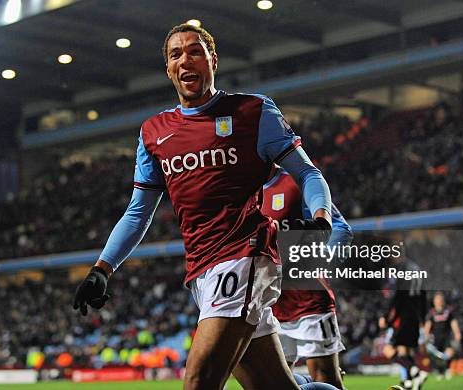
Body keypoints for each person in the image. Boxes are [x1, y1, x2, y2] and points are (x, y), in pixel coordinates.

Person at [73, 23, 339, 390]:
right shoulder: (154, 133)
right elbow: (138, 211)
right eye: (175, 54)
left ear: (213, 60)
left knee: (198, 382)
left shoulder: (253, 111)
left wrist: (321, 217)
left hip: (245, 257)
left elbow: (307, 173)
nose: (186, 60)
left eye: (195, 51)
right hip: (201, 269)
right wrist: (103, 267)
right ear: (168, 69)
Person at [261, 166, 352, 389]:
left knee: (326, 377)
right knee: (275, 382)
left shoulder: (296, 183)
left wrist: (318, 262)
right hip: (268, 303)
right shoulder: (242, 190)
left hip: (308, 302)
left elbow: (340, 228)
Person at [379, 254, 428, 390]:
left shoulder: (400, 272)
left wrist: (387, 318)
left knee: (388, 350)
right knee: (405, 352)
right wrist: (422, 319)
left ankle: (417, 372)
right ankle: (409, 382)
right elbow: (423, 298)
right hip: (414, 318)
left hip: (402, 319)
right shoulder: (417, 272)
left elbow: (396, 299)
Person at [423, 291, 461, 380]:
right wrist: (426, 336)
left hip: (447, 336)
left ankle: (447, 369)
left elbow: (453, 323)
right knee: (438, 357)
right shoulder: (431, 313)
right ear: (434, 301)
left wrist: (457, 333)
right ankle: (440, 372)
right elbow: (427, 326)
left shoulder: (448, 312)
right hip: (435, 337)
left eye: (440, 299)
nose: (438, 301)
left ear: (443, 300)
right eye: (437, 299)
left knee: (448, 353)